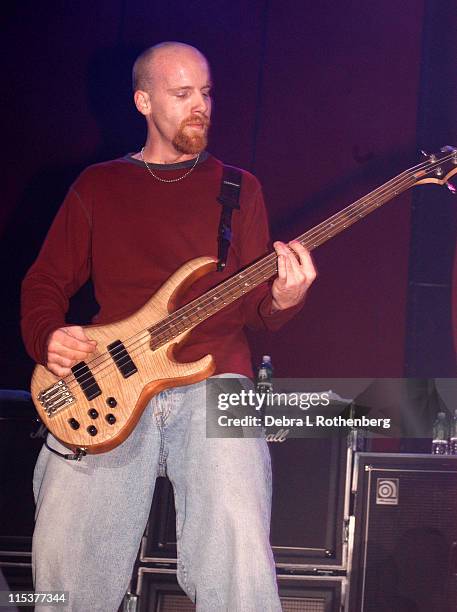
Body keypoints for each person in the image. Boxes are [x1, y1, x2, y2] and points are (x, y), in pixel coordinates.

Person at [21, 42, 316, 611]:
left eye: (205, 93)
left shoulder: (240, 188)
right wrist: (48, 335)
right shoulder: (97, 186)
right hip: (109, 377)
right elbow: (43, 284)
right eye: (182, 95)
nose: (199, 106)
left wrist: (284, 297)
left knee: (238, 543)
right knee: (65, 555)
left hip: (215, 376)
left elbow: (260, 309)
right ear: (143, 101)